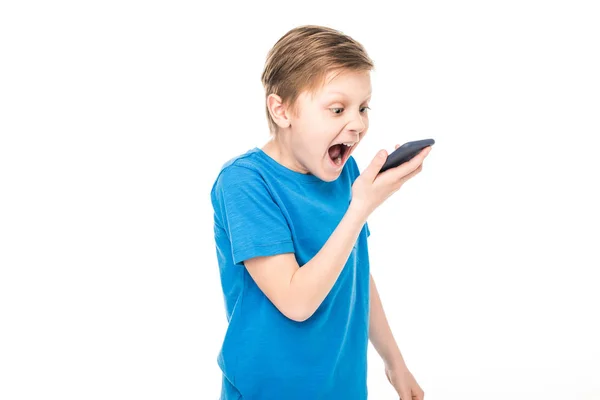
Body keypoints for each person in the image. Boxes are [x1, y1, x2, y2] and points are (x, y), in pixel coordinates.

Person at [210, 24, 431, 400]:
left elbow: (356, 273)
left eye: (363, 108)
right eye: (337, 109)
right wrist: (359, 208)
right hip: (269, 390)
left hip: (342, 387)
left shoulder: (345, 172)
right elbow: (296, 302)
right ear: (282, 110)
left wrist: (395, 362)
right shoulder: (245, 183)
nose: (358, 124)